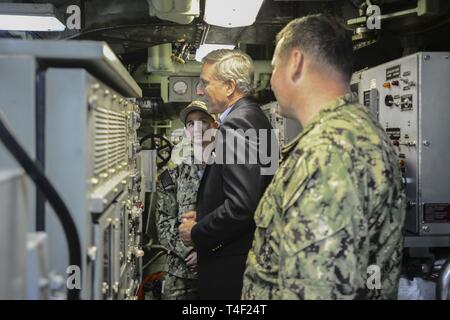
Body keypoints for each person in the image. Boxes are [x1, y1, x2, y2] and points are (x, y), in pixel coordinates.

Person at [242, 14, 406, 300]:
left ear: (295, 62)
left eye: (274, 67)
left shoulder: (329, 154)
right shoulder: (349, 132)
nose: (271, 80)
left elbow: (318, 291)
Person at [178, 49, 275, 299]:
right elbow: (251, 191)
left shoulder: (237, 124)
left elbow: (242, 205)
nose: (199, 90)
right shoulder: (254, 117)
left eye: (205, 83)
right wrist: (205, 213)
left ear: (230, 86)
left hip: (232, 264)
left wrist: (197, 232)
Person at [155, 100, 217, 300]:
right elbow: (164, 223)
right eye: (191, 123)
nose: (197, 128)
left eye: (204, 121)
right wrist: (189, 252)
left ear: (215, 126)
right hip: (181, 273)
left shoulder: (230, 172)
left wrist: (207, 253)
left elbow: (236, 216)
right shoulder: (172, 176)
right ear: (186, 131)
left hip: (220, 266)